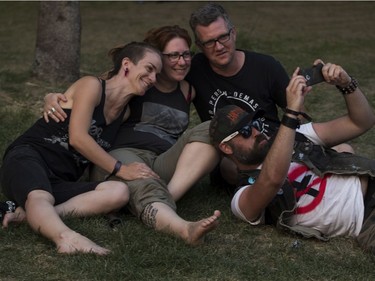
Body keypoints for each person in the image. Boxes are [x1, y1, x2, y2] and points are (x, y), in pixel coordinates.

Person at [42, 25, 221, 246]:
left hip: (163, 159)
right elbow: (89, 92)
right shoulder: (137, 80)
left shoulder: (187, 91)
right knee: (143, 181)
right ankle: (184, 229)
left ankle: (164, 196)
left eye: (186, 54)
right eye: (173, 55)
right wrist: (52, 97)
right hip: (124, 154)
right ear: (156, 57)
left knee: (216, 127)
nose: (182, 61)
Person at [0, 42, 163, 255]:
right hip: (29, 157)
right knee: (41, 196)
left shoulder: (124, 113)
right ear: (126, 65)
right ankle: (66, 238)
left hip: (59, 180)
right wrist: (121, 169)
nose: (153, 78)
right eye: (149, 69)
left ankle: (28, 215)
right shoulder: (92, 86)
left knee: (119, 192)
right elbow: (78, 138)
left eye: (157, 73)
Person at [209, 59, 375, 252]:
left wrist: (346, 84)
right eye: (245, 131)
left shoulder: (297, 136)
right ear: (226, 148)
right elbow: (272, 180)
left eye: (255, 124)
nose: (256, 132)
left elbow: (361, 122)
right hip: (366, 220)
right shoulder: (242, 199)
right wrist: (291, 114)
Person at [186, 2, 291, 187]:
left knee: (339, 149)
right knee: (229, 166)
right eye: (209, 42)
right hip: (233, 157)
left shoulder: (266, 67)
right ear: (199, 45)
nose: (218, 47)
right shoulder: (193, 70)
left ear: (233, 33)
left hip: (271, 145)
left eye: (223, 37)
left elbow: (296, 112)